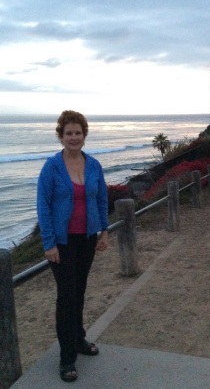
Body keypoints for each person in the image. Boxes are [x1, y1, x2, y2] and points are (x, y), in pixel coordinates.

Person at [37, 110, 109, 383]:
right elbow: (43, 206)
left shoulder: (93, 165)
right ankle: (67, 358)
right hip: (62, 243)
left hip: (87, 239)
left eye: (78, 132)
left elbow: (101, 199)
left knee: (79, 291)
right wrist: (49, 244)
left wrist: (104, 231)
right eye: (69, 133)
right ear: (61, 136)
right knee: (66, 297)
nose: (74, 137)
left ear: (84, 134)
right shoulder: (51, 167)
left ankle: (79, 339)